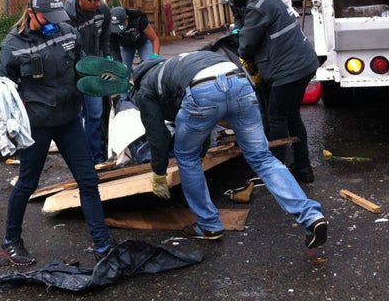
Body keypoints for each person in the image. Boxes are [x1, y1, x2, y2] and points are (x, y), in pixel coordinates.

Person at [133, 52, 328, 248]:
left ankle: (209, 225)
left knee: (186, 157)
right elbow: (198, 121)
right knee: (262, 158)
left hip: (203, 91)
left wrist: (159, 172)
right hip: (239, 83)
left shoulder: (145, 87)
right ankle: (311, 216)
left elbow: (157, 135)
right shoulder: (181, 63)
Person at [0, 0, 113, 265]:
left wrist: (101, 77)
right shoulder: (13, 46)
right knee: (28, 182)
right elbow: (0, 88)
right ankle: (11, 240)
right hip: (38, 124)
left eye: (56, 16)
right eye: (47, 16)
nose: (54, 22)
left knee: (88, 180)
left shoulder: (68, 33)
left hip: (69, 119)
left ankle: (102, 243)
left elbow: (82, 67)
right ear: (32, 12)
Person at [221, 0, 319, 183]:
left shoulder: (258, 5)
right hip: (303, 64)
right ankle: (303, 168)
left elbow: (246, 45)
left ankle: (276, 171)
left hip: (290, 69)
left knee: (276, 116)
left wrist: (239, 32)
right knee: (292, 115)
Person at [64, 0, 112, 164]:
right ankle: (79, 157)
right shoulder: (66, 18)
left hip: (95, 71)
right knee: (76, 117)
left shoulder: (102, 10)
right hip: (73, 73)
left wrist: (107, 57)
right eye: (93, 0)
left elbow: (106, 36)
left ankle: (95, 157)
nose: (97, 4)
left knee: (95, 113)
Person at [109, 6, 161, 72]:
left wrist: (155, 55)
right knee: (123, 70)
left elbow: (155, 39)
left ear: (127, 18)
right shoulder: (111, 28)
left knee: (148, 67)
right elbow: (114, 49)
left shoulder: (139, 19)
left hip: (142, 42)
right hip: (126, 46)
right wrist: (118, 63)